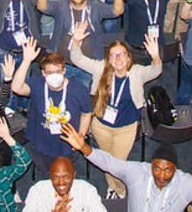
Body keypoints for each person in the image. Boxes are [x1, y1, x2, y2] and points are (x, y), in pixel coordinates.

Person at [58, 125, 192, 212]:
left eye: (168, 170)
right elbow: (109, 163)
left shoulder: (187, 184)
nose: (161, 174)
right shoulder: (137, 172)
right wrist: (84, 147)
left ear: (175, 169)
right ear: (151, 165)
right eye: (158, 168)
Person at [69, 25, 161, 199]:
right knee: (107, 161)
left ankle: (120, 190)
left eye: (122, 54)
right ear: (109, 59)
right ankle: (116, 189)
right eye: (113, 55)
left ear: (128, 58)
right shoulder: (100, 68)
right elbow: (77, 59)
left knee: (117, 165)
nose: (118, 58)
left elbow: (156, 70)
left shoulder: (137, 72)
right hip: (101, 126)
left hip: (126, 128)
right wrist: (76, 41)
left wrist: (155, 57)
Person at [11, 38, 93, 174]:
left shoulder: (79, 90)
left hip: (67, 143)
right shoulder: (37, 84)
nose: (54, 76)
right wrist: (26, 61)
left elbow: (86, 114)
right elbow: (17, 88)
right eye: (49, 72)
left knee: (65, 174)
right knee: (46, 172)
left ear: (64, 71)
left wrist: (80, 138)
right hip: (41, 140)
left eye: (58, 71)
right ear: (43, 73)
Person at [23, 156, 106, 212]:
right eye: (56, 177)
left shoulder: (86, 190)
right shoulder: (37, 191)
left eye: (66, 177)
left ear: (74, 175)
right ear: (50, 176)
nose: (61, 182)